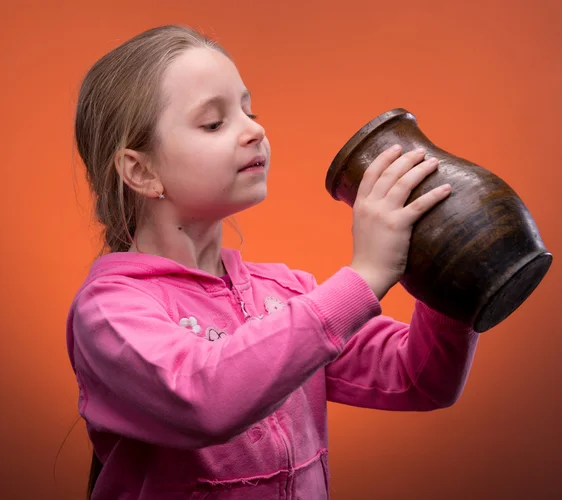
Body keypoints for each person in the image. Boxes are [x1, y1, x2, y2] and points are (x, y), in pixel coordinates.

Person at [66, 24, 479, 500]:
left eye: (249, 110)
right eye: (214, 123)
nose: (255, 129)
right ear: (140, 170)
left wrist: (451, 269)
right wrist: (364, 277)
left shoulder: (286, 293)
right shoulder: (109, 313)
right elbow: (206, 400)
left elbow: (420, 379)